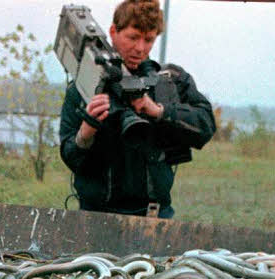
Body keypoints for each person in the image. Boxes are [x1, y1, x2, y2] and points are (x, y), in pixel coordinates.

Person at [59, 0, 215, 219]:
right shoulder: (84, 87)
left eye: (149, 39)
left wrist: (159, 111)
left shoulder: (171, 81)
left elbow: (206, 125)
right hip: (96, 218)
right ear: (113, 32)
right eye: (133, 37)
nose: (140, 48)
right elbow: (69, 157)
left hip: (154, 217)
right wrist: (86, 131)